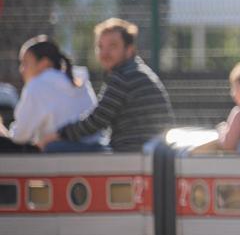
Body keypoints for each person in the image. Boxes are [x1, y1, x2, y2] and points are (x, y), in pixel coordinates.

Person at [40, 18, 173, 153]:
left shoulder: (123, 77)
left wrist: (58, 134)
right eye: (100, 46)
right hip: (148, 149)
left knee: (54, 148)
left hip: (132, 151)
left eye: (113, 46)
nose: (104, 53)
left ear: (129, 50)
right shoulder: (136, 71)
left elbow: (96, 121)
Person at [0, 36, 99, 153]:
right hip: (95, 149)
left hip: (61, 155)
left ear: (44, 64)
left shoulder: (38, 85)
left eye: (25, 63)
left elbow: (20, 137)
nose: (21, 69)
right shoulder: (79, 79)